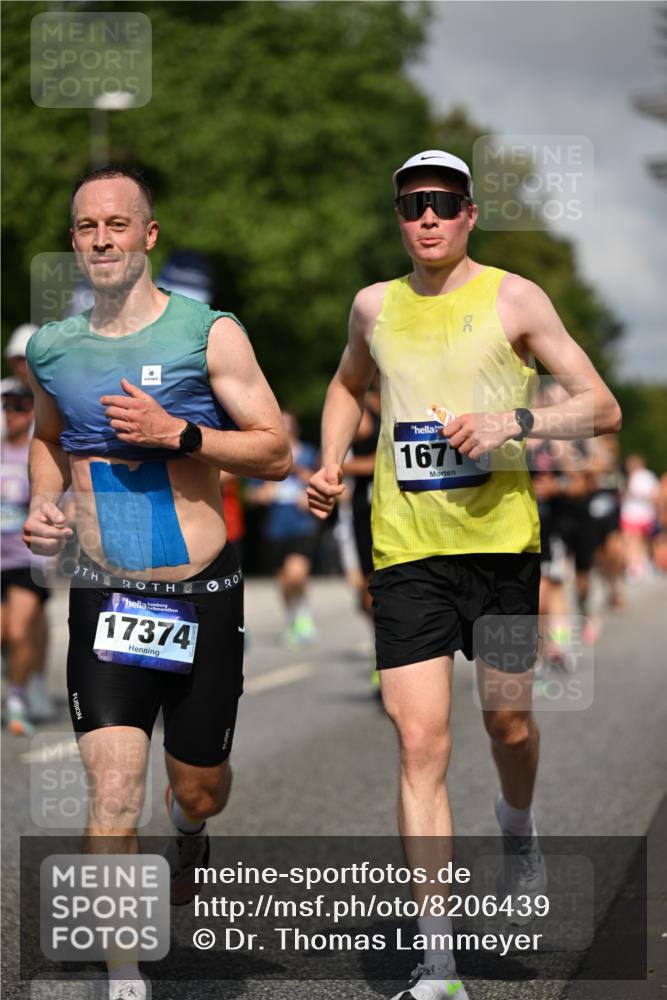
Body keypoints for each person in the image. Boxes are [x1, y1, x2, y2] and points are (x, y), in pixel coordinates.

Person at [307, 149, 621, 1000]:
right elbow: (345, 384)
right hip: (407, 553)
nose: (428, 217)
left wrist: (512, 421)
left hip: (502, 551)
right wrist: (332, 462)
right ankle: (438, 960)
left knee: (508, 723)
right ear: (399, 218)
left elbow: (600, 405)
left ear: (470, 213)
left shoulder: (515, 298)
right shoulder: (373, 306)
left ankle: (516, 827)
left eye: (444, 202)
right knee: (418, 742)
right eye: (412, 205)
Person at [23, 165, 291, 1000]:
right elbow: (46, 434)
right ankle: (125, 976)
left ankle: (189, 829)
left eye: (116, 224)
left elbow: (275, 449)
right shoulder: (51, 347)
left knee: (198, 787)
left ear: (149, 235)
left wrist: (182, 434)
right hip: (105, 593)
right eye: (85, 227)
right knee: (109, 788)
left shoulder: (206, 334)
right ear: (74, 242)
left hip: (201, 594)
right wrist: (43, 505)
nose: (100, 239)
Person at [1, 380, 53, 734]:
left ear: (32, 412)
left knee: (19, 632)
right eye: (7, 406)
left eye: (20, 407)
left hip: (27, 561)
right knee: (4, 634)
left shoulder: (39, 454)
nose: (12, 414)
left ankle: (17, 698)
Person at [248, 411, 319, 644]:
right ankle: (292, 617)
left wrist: (310, 494)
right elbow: (252, 493)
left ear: (295, 429)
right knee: (284, 581)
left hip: (302, 523)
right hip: (275, 525)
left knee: (296, 574)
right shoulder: (266, 456)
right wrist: (263, 493)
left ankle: (304, 615)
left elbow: (324, 482)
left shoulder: (309, 453)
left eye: (290, 427)